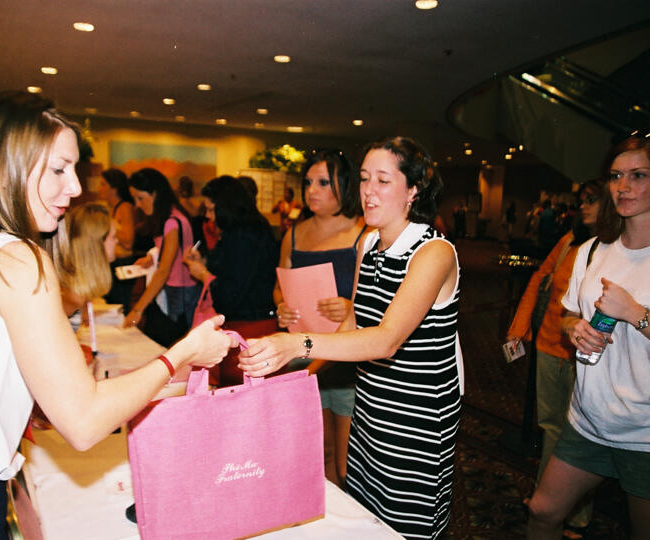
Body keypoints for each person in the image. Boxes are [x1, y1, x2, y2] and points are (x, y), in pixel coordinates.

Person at [0, 91, 231, 539]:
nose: (74, 187)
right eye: (58, 169)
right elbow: (85, 423)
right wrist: (182, 353)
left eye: (74, 170)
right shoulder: (17, 257)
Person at [239, 136, 461, 539]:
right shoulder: (370, 243)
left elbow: (386, 340)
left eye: (383, 180)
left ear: (413, 190)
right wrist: (305, 373)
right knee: (367, 516)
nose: (368, 191)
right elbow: (355, 321)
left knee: (407, 524)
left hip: (417, 414)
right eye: (363, 179)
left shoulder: (434, 252)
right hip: (373, 400)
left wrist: (298, 343)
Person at [527, 135, 650, 539]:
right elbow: (567, 315)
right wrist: (574, 328)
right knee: (543, 512)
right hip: (589, 421)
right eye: (616, 176)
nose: (623, 186)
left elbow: (634, 315)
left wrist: (634, 313)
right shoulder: (594, 249)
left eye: (638, 175)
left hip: (644, 434)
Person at [507, 179, 604, 538]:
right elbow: (539, 279)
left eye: (593, 201)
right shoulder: (569, 242)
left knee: (583, 432)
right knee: (551, 428)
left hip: (590, 356)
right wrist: (519, 328)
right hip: (551, 345)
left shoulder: (616, 248)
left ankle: (576, 513)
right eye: (582, 200)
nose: (584, 206)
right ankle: (549, 501)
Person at [272, 148, 366, 489]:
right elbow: (280, 285)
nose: (312, 190)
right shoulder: (294, 233)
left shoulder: (363, 235)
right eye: (309, 182)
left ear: (346, 185)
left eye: (324, 182)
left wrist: (350, 307)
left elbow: (376, 299)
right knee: (316, 454)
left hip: (347, 358)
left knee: (348, 462)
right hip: (303, 352)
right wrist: (281, 305)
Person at [183, 176, 278, 385]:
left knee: (240, 397)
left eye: (211, 209)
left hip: (251, 328)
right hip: (249, 323)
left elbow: (230, 293)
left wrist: (203, 275)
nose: (208, 216)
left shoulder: (245, 236)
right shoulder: (244, 230)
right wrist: (205, 263)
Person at [124, 168, 199, 346]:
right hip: (175, 291)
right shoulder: (171, 217)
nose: (138, 205)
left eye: (140, 198)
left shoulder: (172, 222)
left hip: (177, 295)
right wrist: (154, 255)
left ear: (155, 194)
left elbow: (164, 270)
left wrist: (137, 310)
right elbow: (170, 251)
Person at [51, 202, 117, 318]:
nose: (117, 241)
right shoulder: (70, 300)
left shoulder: (78, 293)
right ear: (97, 245)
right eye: (114, 237)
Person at [98, 168, 137, 309]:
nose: (99, 188)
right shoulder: (112, 208)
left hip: (123, 263)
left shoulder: (124, 207)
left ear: (114, 188)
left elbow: (128, 240)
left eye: (103, 184)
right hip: (114, 262)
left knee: (120, 305)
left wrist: (106, 229)